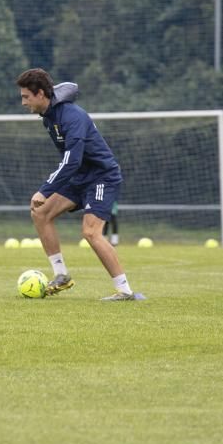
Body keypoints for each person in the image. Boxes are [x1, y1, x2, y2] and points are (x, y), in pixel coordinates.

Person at [17, 68, 144, 301]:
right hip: (80, 177)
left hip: (101, 176)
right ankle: (62, 275)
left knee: (90, 232)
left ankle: (125, 291)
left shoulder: (71, 116)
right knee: (41, 213)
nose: (23, 102)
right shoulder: (49, 116)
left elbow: (71, 160)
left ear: (41, 94)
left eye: (26, 96)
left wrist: (45, 189)